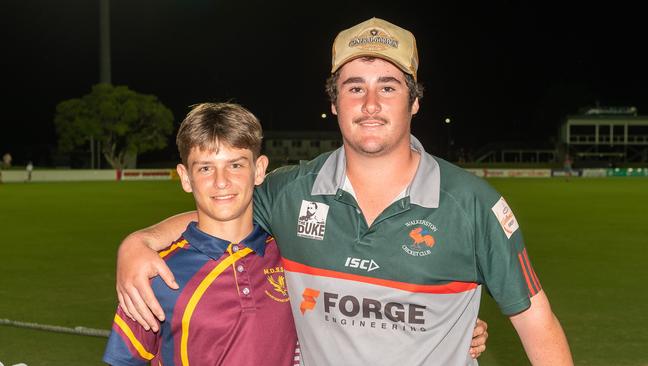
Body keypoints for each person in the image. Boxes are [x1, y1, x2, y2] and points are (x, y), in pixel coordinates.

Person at [112, 17, 579, 365]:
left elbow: (539, 327)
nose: (371, 104)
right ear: (333, 101)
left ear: (416, 101)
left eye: (389, 87)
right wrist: (140, 242)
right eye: (354, 88)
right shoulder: (289, 192)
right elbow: (220, 211)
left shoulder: (475, 206)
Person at [103, 103, 299, 365]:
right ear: (185, 177)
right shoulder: (156, 275)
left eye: (236, 165)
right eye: (205, 168)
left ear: (259, 169)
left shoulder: (292, 255)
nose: (221, 181)